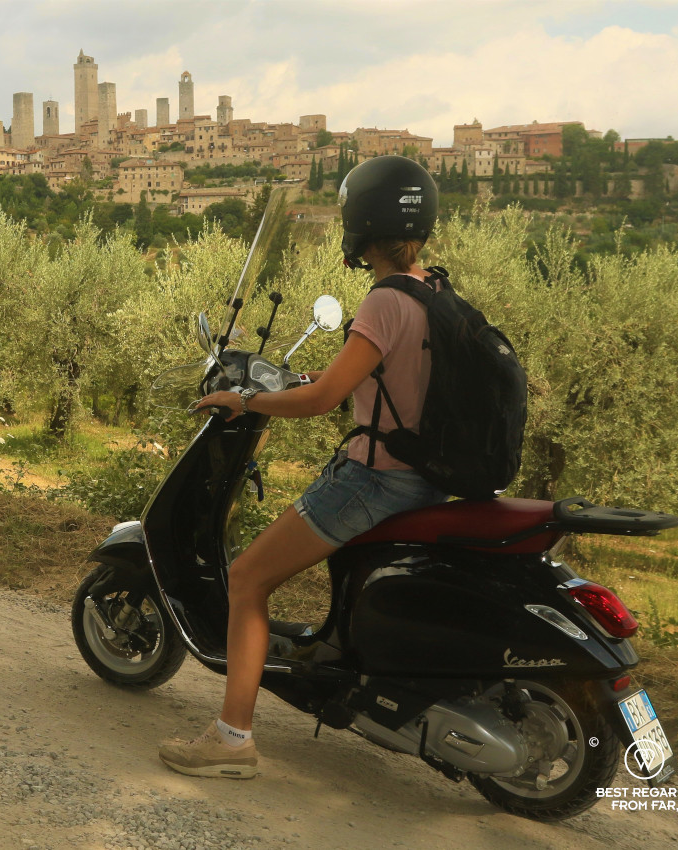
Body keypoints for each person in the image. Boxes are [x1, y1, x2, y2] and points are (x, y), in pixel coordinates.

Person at [158, 155, 450, 779]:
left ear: (360, 223)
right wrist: (318, 375)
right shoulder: (436, 292)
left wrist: (247, 400)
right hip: (428, 478)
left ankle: (232, 740)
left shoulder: (385, 301)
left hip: (377, 480)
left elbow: (319, 403)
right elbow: (382, 380)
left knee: (247, 578)